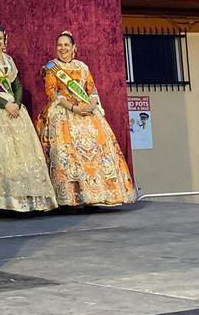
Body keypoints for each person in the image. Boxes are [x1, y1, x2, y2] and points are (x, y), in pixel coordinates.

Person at [36, 31, 137, 207]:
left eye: (66, 45)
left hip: (86, 109)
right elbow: (52, 92)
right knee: (65, 147)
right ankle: (71, 196)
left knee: (99, 140)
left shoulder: (83, 67)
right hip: (63, 110)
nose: (63, 48)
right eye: (59, 45)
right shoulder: (52, 67)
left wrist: (91, 105)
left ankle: (99, 193)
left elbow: (92, 89)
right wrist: (74, 107)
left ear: (74, 48)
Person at [0, 25, 57, 213]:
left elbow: (17, 84)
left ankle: (26, 199)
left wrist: (17, 105)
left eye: (0, 38)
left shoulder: (9, 60)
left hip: (14, 108)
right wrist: (5, 105)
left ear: (5, 40)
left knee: (21, 154)